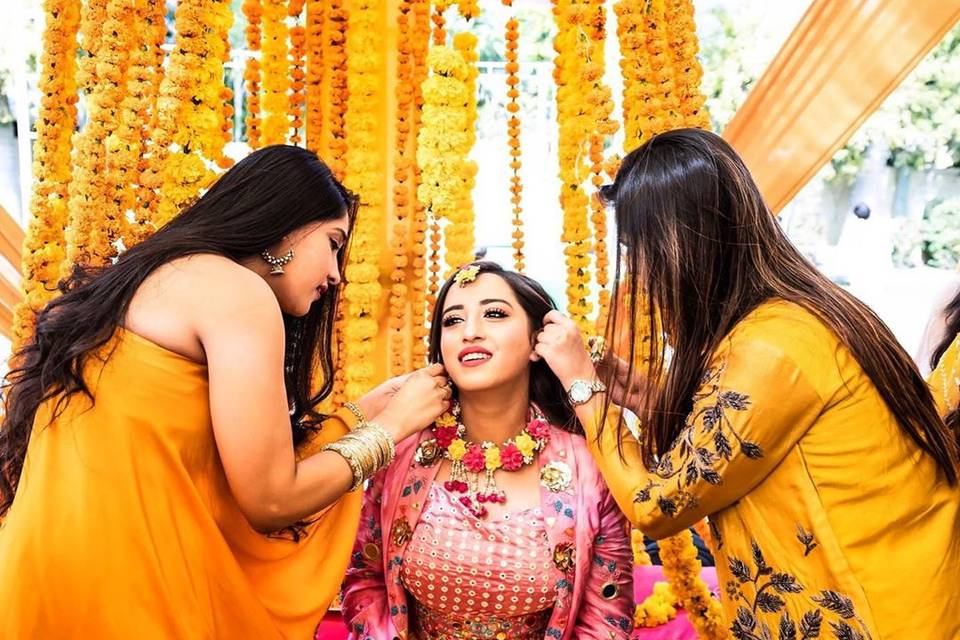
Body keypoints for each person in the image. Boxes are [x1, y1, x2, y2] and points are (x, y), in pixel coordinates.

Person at [0, 145, 451, 638]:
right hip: (124, 588)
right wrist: (390, 429)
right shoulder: (237, 292)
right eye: (333, 243)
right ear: (289, 226)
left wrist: (359, 417)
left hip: (45, 577)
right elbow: (270, 500)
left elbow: (207, 460)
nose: (336, 274)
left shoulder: (153, 276)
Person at [534, 129, 960, 639]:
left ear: (680, 243)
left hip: (874, 615)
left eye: (637, 248)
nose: (641, 271)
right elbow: (743, 445)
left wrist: (585, 387)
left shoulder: (772, 346)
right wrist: (648, 397)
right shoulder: (792, 316)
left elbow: (657, 504)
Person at [341, 262, 634, 640]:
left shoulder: (588, 468)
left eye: (494, 314)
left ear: (537, 342)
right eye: (452, 321)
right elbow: (365, 581)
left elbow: (606, 619)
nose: (470, 332)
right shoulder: (404, 454)